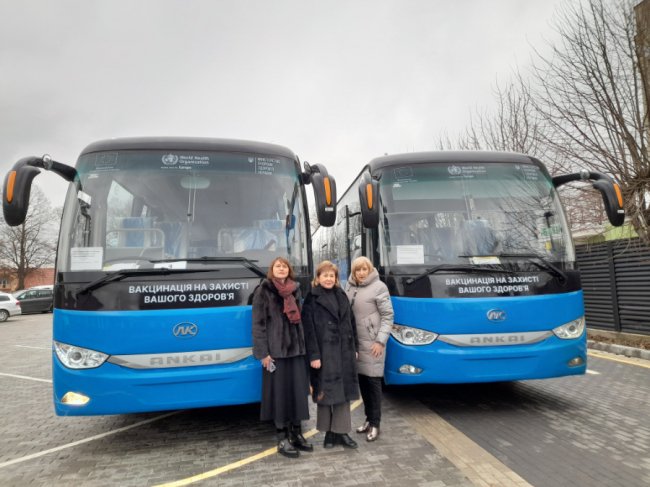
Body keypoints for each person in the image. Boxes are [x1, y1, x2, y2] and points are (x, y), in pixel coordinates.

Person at [252, 257, 313, 458]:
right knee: (279, 396)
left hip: (296, 350)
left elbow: (301, 320)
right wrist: (263, 354)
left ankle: (297, 432)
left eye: (284, 266)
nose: (281, 268)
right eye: (277, 266)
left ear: (289, 270)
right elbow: (258, 325)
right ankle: (282, 437)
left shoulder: (296, 289)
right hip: (275, 353)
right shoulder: (264, 290)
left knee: (297, 393)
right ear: (272, 270)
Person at [302, 260, 360, 449]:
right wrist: (314, 356)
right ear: (317, 278)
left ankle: (341, 433)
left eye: (331, 275)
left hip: (344, 352)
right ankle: (328, 433)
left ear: (336, 278)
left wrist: (356, 348)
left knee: (343, 395)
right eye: (324, 275)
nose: (328, 278)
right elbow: (308, 330)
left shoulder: (341, 294)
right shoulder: (311, 298)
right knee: (325, 394)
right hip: (324, 354)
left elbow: (351, 322)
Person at [345, 256, 394, 442]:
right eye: (358, 270)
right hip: (356, 343)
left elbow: (388, 316)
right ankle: (368, 419)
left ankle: (375, 424)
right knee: (363, 383)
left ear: (370, 269)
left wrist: (380, 341)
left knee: (373, 384)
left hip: (373, 344)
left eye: (364, 269)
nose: (361, 273)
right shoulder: (349, 286)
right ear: (354, 272)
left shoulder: (379, 287)